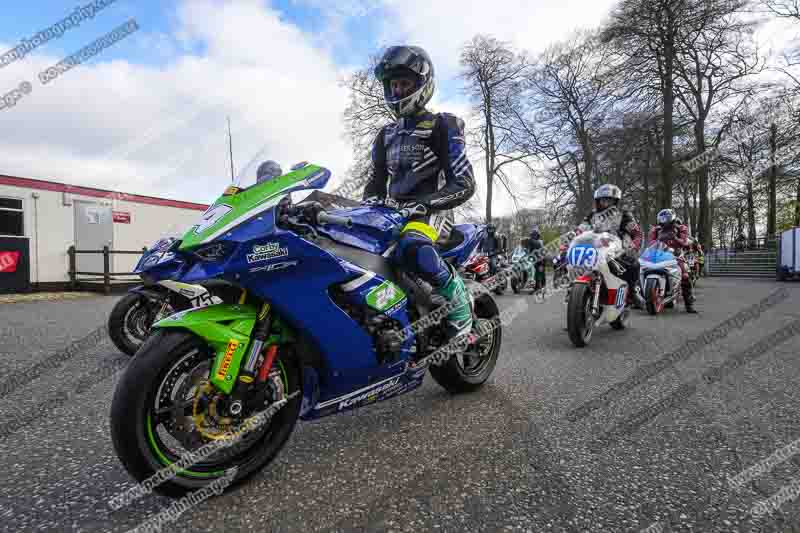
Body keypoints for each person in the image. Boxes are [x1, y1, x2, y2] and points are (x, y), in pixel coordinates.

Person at [361, 45, 476, 353]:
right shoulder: (384, 136)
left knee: (413, 243)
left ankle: (460, 305)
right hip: (394, 214)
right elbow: (374, 185)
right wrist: (368, 207)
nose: (397, 90)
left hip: (434, 212)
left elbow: (464, 182)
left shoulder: (445, 125)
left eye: (404, 84)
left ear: (422, 84)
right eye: (393, 84)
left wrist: (426, 203)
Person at [580, 184, 645, 309]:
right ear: (598, 201)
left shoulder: (623, 215)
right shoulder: (592, 216)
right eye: (603, 200)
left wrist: (634, 245)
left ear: (615, 201)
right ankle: (573, 294)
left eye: (609, 200)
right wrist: (570, 241)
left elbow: (636, 233)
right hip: (593, 249)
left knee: (634, 265)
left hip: (615, 250)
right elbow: (580, 230)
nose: (605, 203)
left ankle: (633, 293)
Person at [648, 208, 697, 313]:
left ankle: (689, 304)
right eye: (662, 219)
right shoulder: (655, 230)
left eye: (667, 218)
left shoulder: (681, 228)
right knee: (644, 268)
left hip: (676, 255)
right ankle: (640, 298)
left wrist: (674, 238)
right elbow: (651, 243)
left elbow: (684, 242)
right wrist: (659, 240)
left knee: (685, 276)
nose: (664, 221)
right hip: (659, 255)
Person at [524, 226, 546, 291]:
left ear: (537, 235)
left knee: (540, 272)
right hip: (534, 259)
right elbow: (528, 250)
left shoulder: (540, 242)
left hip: (540, 259)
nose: (534, 236)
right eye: (533, 235)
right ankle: (534, 286)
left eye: (535, 235)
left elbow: (543, 250)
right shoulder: (531, 242)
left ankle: (542, 286)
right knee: (533, 272)